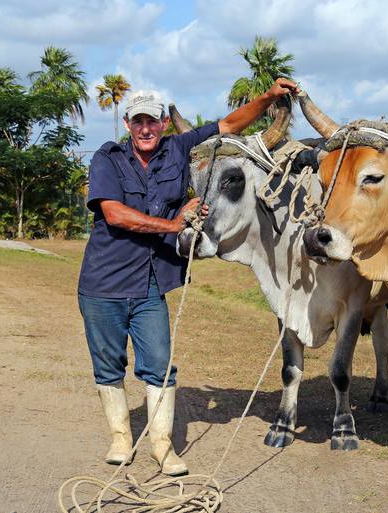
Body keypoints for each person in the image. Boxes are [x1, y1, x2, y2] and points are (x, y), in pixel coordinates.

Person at [77, 78, 298, 476]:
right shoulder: (107, 159)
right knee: (109, 366)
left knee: (159, 365)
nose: (146, 128)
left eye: (154, 121)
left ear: (163, 124)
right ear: (128, 124)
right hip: (102, 285)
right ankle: (121, 437)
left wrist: (267, 97)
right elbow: (114, 214)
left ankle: (162, 446)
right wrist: (173, 222)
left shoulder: (178, 150)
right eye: (139, 121)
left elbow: (229, 125)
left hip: (149, 284)